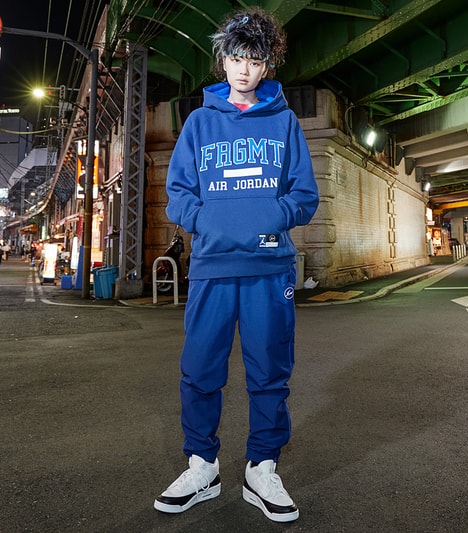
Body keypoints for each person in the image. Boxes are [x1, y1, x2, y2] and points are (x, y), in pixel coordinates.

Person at [154, 8, 319, 524]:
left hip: (270, 266)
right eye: (236, 58)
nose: (245, 69)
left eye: (255, 60)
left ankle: (262, 467)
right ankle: (202, 467)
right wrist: (209, 222)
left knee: (270, 371)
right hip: (211, 267)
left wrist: (269, 216)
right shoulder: (199, 123)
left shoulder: (284, 123)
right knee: (200, 369)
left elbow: (304, 196)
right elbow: (179, 194)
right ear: (222, 61)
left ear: (267, 66)